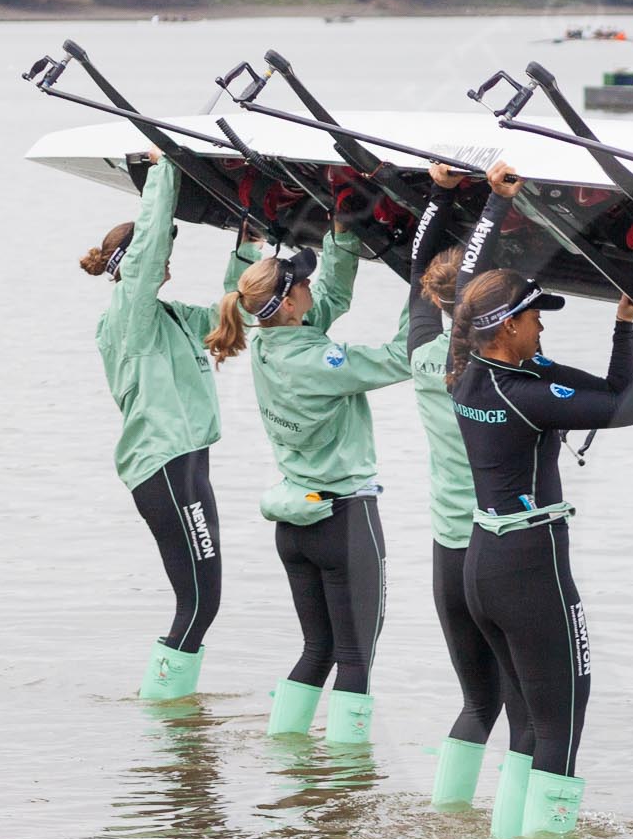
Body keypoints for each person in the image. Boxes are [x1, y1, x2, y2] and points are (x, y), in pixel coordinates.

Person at [448, 243, 633, 839]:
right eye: (534, 317)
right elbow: (628, 414)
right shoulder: (525, 393)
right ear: (505, 327)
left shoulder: (475, 375)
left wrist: (624, 326)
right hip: (531, 569)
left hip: (484, 564)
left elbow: (611, 397)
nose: (542, 326)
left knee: (528, 722)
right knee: (564, 715)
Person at [205, 218, 405, 743]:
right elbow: (403, 357)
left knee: (317, 651)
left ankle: (284, 758)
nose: (309, 285)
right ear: (290, 305)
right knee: (357, 658)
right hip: (345, 522)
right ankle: (346, 784)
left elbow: (331, 295)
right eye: (301, 283)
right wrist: (427, 293)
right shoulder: (318, 358)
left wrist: (341, 231)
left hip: (296, 526)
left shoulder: (268, 344)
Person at [80, 153, 254, 699]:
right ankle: (165, 714)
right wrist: (165, 168)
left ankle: (174, 717)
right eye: (162, 255)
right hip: (162, 467)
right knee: (200, 600)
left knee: (206, 598)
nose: (167, 262)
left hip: (187, 466)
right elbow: (149, 241)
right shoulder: (127, 317)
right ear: (131, 268)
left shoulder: (173, 317)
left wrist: (248, 243)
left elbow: (235, 311)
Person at [410, 161, 535, 817]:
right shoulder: (472, 370)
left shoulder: (422, 356)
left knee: (477, 703)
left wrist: (443, 194)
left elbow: (420, 276)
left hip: (445, 553)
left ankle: (445, 820)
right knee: (522, 708)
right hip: (494, 555)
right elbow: (462, 296)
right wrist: (489, 202)